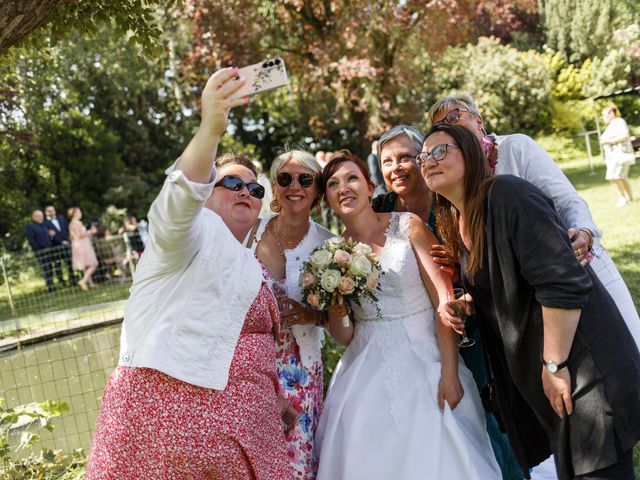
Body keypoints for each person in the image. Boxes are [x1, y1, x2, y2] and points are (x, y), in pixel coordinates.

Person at [87, 67, 290, 479]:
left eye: (255, 190)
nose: (246, 193)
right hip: (170, 435)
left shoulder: (247, 259)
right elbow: (180, 197)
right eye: (231, 182)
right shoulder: (184, 237)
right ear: (208, 192)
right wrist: (211, 128)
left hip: (248, 433)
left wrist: (273, 396)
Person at [422, 123, 640, 480]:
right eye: (424, 155)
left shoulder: (508, 195)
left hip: (584, 368)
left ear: (473, 153)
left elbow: (563, 282)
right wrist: (471, 300)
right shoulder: (462, 222)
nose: (429, 160)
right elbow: (510, 280)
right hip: (558, 380)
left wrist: (554, 365)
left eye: (441, 150)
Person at [314, 152, 501, 480]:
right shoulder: (330, 255)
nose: (344, 187)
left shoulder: (408, 226)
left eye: (352, 178)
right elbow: (344, 336)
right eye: (333, 184)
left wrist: (449, 373)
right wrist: (338, 306)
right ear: (327, 198)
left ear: (370, 187)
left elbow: (442, 300)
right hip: (364, 368)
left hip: (426, 358)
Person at [427, 94, 640, 352]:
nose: (451, 127)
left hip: (580, 263)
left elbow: (565, 200)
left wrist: (584, 232)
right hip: (535, 301)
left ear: (479, 120)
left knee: (629, 347)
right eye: (442, 126)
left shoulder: (515, 147)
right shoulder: (455, 184)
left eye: (455, 116)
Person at [372, 124, 523, 479]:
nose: (397, 168)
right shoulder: (380, 209)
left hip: (470, 322)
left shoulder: (449, 201)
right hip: (415, 336)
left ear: (423, 159)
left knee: (490, 412)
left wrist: (462, 271)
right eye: (387, 161)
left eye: (406, 157)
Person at [245, 149, 335, 478]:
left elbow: (350, 322)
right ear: (275, 187)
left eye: (305, 179)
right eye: (285, 178)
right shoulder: (249, 233)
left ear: (316, 190)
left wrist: (312, 316)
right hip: (251, 366)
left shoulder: (330, 245)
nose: (294, 185)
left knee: (298, 462)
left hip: (302, 369)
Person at [601, 103, 635, 207]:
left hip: (621, 155)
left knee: (616, 176)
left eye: (605, 115)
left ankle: (624, 198)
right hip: (613, 157)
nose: (603, 118)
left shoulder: (619, 122)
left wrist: (609, 141)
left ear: (612, 113)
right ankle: (628, 198)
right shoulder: (611, 125)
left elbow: (624, 135)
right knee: (619, 177)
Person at [67, 207, 99, 290]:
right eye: (79, 212)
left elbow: (72, 237)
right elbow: (80, 235)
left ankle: (90, 284)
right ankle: (83, 281)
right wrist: (91, 231)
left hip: (78, 245)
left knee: (86, 266)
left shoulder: (71, 223)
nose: (81, 214)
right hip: (82, 245)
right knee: (94, 264)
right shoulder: (76, 223)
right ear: (74, 213)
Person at [25, 210, 55, 293]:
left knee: (50, 268)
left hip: (49, 250)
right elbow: (31, 240)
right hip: (41, 252)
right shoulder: (30, 227)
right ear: (34, 217)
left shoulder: (44, 225)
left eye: (41, 215)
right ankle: (50, 287)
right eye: (38, 216)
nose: (40, 217)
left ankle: (52, 285)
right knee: (46, 269)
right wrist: (39, 250)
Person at [44, 205, 75, 286]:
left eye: (53, 210)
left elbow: (67, 229)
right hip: (55, 247)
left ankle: (72, 279)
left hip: (66, 245)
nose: (52, 212)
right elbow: (50, 235)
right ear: (46, 212)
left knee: (69, 262)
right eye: (49, 211)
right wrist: (61, 242)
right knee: (57, 265)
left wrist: (68, 239)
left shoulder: (61, 219)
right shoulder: (45, 223)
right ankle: (61, 281)